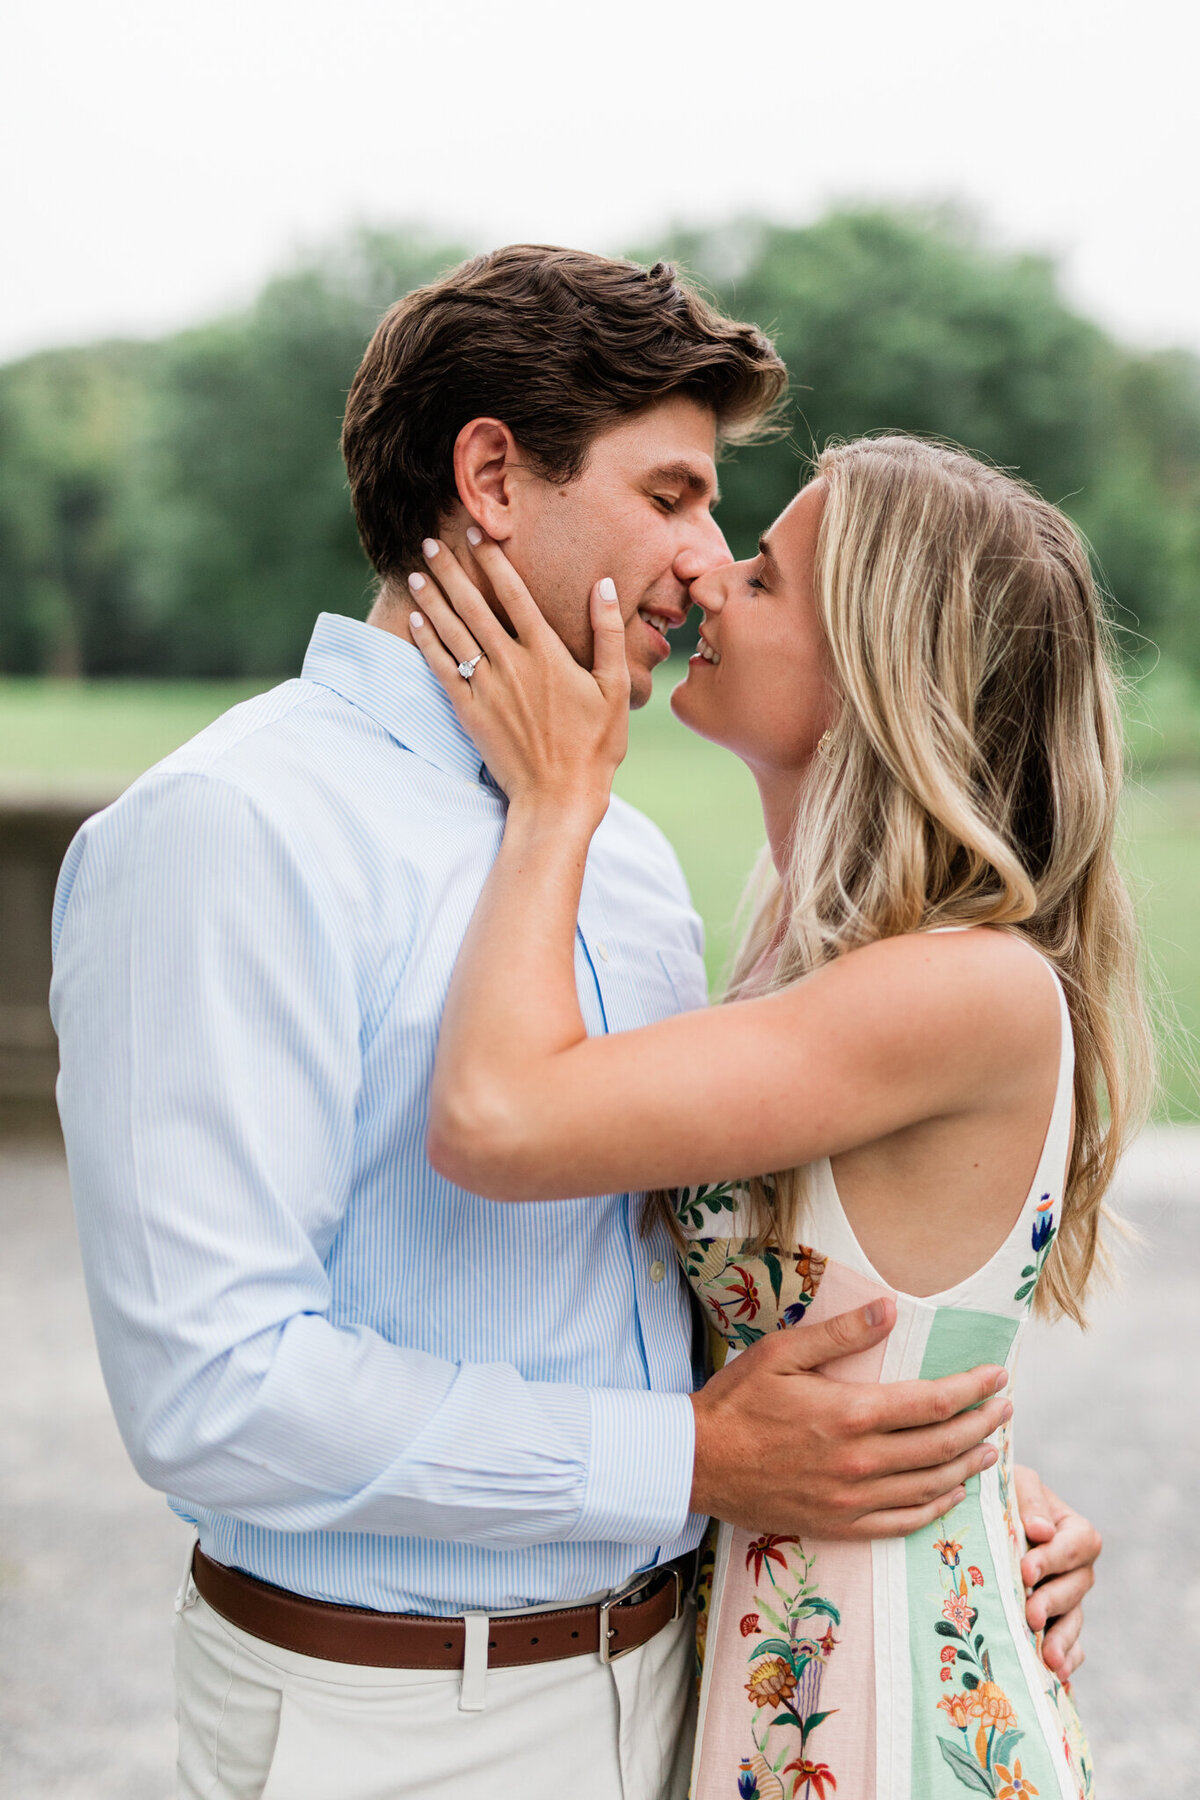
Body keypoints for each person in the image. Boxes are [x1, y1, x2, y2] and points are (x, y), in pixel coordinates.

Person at [49, 250, 1099, 1800]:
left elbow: (695, 1272)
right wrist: (693, 1460)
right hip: (396, 1726)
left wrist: (937, 1469)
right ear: (492, 480)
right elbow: (214, 1389)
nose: (708, 557)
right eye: (671, 495)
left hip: (690, 1692)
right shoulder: (232, 828)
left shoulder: (617, 854)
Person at [402, 433, 1149, 1799]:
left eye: (762, 577)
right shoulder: (807, 969)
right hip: (776, 1710)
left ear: (876, 666)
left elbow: (496, 1120)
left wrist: (559, 800)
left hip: (896, 1746)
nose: (707, 581)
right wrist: (990, 1476)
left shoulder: (962, 988)